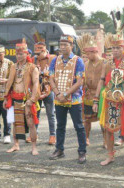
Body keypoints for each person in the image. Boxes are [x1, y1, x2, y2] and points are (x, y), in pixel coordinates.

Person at [93, 9, 124, 168]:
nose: (115, 51)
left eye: (118, 48)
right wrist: (96, 100)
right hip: (108, 101)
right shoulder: (107, 63)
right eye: (113, 48)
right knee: (108, 130)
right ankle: (110, 156)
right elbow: (101, 81)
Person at [48, 35, 87, 164]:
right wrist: (58, 93)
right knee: (60, 126)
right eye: (61, 44)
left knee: (79, 126)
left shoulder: (78, 61)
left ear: (71, 46)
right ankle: (59, 149)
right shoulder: (55, 60)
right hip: (59, 98)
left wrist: (65, 94)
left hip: (74, 99)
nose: (63, 47)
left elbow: (79, 82)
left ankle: (82, 151)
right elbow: (51, 78)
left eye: (66, 45)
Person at [3, 38, 40, 155]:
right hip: (14, 98)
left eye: (21, 54)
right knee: (15, 123)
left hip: (26, 99)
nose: (18, 56)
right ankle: (16, 144)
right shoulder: (13, 67)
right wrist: (5, 98)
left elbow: (36, 84)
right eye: (17, 54)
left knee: (30, 123)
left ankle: (34, 147)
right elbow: (9, 83)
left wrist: (32, 99)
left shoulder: (32, 67)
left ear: (26, 53)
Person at [78, 33, 105, 146]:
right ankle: (86, 138)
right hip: (88, 95)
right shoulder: (85, 64)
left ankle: (105, 140)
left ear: (95, 52)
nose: (86, 56)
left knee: (103, 120)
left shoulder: (105, 63)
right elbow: (82, 80)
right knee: (87, 120)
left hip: (102, 95)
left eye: (88, 53)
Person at [32, 41, 57, 145]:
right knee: (35, 112)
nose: (37, 56)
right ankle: (34, 134)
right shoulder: (34, 59)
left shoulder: (52, 58)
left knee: (50, 113)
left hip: (49, 89)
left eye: (39, 53)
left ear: (44, 50)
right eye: (36, 53)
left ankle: (52, 135)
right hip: (37, 89)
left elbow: (55, 74)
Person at [0, 44, 14, 144]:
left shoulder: (10, 63)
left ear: (4, 53)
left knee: (7, 117)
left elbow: (15, 78)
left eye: (0, 54)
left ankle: (7, 135)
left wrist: (7, 80)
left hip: (6, 95)